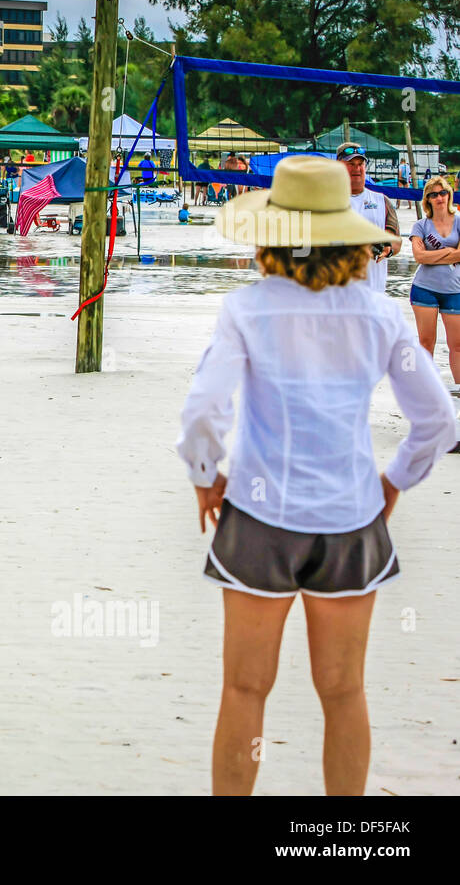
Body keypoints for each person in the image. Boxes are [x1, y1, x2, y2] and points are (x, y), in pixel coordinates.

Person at [176, 155, 453, 795]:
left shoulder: (246, 309)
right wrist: (392, 482)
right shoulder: (379, 313)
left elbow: (202, 412)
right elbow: (438, 420)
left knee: (245, 688)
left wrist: (204, 474)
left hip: (257, 516)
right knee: (344, 690)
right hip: (352, 519)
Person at [408, 175, 460, 390]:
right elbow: (418, 257)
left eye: (443, 193)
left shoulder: (458, 221)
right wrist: (449, 252)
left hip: (454, 289)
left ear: (449, 195)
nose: (439, 197)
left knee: (457, 345)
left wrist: (435, 255)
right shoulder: (421, 225)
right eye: (434, 194)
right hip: (424, 289)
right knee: (426, 342)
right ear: (427, 199)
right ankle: (425, 389)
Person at [338, 142, 400, 293]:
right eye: (351, 164)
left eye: (360, 164)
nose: (357, 168)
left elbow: (396, 241)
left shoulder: (382, 201)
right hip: (336, 294)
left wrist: (387, 248)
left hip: (373, 293)